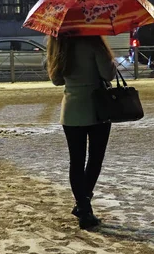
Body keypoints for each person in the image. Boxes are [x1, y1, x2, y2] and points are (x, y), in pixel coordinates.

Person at [47, 34, 117, 230]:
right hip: (97, 109)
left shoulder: (60, 43)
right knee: (95, 158)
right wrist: (108, 58)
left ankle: (83, 207)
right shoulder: (93, 42)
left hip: (71, 110)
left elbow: (56, 80)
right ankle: (83, 207)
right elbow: (108, 74)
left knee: (76, 161)